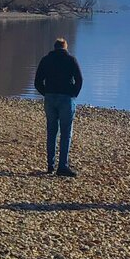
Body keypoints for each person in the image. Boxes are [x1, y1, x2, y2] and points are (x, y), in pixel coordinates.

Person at [34, 38, 83, 176]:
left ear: (54, 48)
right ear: (65, 47)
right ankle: (63, 166)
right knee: (66, 133)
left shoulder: (45, 60)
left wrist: (46, 93)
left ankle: (50, 165)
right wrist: (73, 93)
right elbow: (79, 79)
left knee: (51, 131)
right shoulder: (71, 60)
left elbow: (37, 81)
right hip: (66, 99)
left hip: (50, 98)